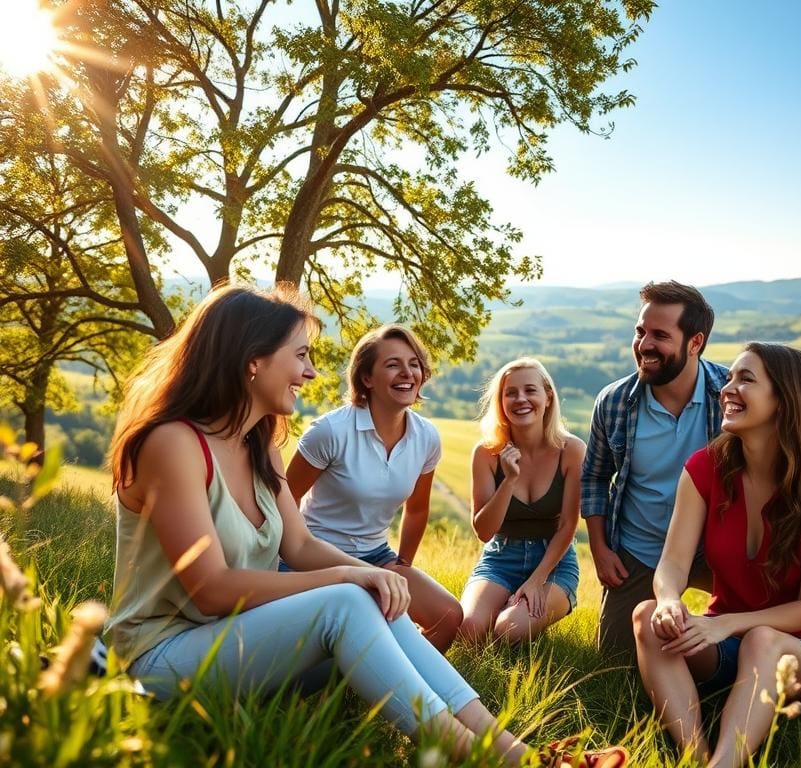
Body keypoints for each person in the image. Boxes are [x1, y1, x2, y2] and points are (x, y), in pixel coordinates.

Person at [103, 284, 627, 767]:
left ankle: (518, 750)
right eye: (301, 356)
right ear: (252, 362)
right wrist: (350, 577)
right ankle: (498, 762)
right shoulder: (173, 443)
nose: (309, 373)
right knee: (349, 597)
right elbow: (212, 590)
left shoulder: (258, 442)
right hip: (162, 658)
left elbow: (301, 544)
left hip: (234, 646)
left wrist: (380, 574)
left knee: (376, 594)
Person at [633, 343, 801, 768]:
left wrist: (726, 623)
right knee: (648, 618)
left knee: (762, 641)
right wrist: (669, 600)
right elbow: (673, 564)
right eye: (729, 379)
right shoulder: (705, 468)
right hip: (732, 642)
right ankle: (697, 756)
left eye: (746, 380)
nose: (728, 389)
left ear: (785, 400)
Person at [284, 324, 462, 652]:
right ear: (366, 378)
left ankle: (393, 689)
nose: (407, 373)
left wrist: (402, 566)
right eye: (393, 364)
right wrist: (291, 560)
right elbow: (284, 498)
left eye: (414, 363)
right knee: (352, 631)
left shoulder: (426, 438)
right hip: (317, 553)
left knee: (448, 616)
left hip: (376, 555)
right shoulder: (330, 432)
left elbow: (418, 508)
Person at [582, 281, 728, 657]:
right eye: (640, 331)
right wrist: (599, 547)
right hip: (641, 550)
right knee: (613, 668)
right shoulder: (614, 402)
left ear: (695, 343)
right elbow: (595, 478)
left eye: (660, 335)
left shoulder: (731, 395)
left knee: (739, 659)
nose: (644, 345)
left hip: (716, 548)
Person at [459, 358, 583, 645]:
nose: (521, 399)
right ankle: (505, 604)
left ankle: (516, 613)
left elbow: (567, 525)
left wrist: (537, 580)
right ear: (501, 402)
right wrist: (509, 480)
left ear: (547, 396)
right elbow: (483, 531)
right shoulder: (486, 453)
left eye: (530, 390)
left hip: (554, 563)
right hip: (501, 557)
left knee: (508, 630)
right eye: (510, 393)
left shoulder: (572, 450)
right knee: (468, 630)